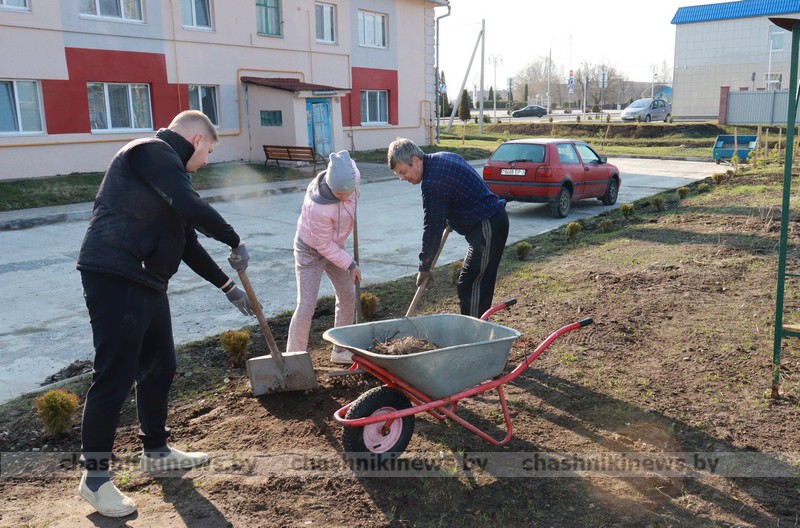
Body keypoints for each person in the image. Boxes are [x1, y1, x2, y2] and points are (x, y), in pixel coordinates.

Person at [75, 110, 256, 517]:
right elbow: (191, 207)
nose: (206, 160)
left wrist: (226, 287)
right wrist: (234, 237)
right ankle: (96, 479)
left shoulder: (169, 176)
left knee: (161, 365)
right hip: (115, 274)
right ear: (196, 140)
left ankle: (155, 450)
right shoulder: (151, 152)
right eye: (208, 151)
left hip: (146, 279)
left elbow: (186, 241)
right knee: (115, 375)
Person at [387, 138, 509, 318]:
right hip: (488, 223)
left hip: (487, 227)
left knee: (472, 285)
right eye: (399, 174)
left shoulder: (432, 182)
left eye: (403, 172)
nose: (402, 178)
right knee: (474, 284)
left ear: (416, 161)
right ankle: (475, 330)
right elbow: (460, 192)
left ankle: (473, 337)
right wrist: (450, 217)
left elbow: (432, 227)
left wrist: (425, 265)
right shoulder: (442, 158)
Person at [287, 150, 362, 365]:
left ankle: (341, 349)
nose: (345, 196)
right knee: (307, 304)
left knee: (348, 294)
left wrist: (354, 195)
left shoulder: (351, 175)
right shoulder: (318, 206)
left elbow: (352, 178)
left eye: (348, 192)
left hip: (335, 244)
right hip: (311, 249)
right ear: (330, 187)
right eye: (339, 194)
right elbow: (323, 245)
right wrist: (350, 263)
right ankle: (294, 357)